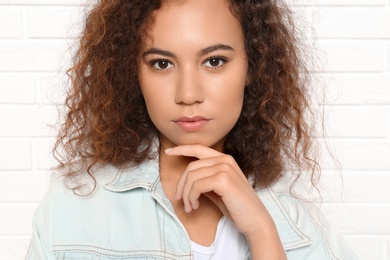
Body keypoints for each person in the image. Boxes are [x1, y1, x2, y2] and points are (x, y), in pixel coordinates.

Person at [26, 0, 358, 259]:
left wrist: (262, 232)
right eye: (162, 63)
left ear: (253, 67)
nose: (188, 95)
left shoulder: (297, 227)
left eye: (214, 61)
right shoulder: (73, 208)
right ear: (132, 75)